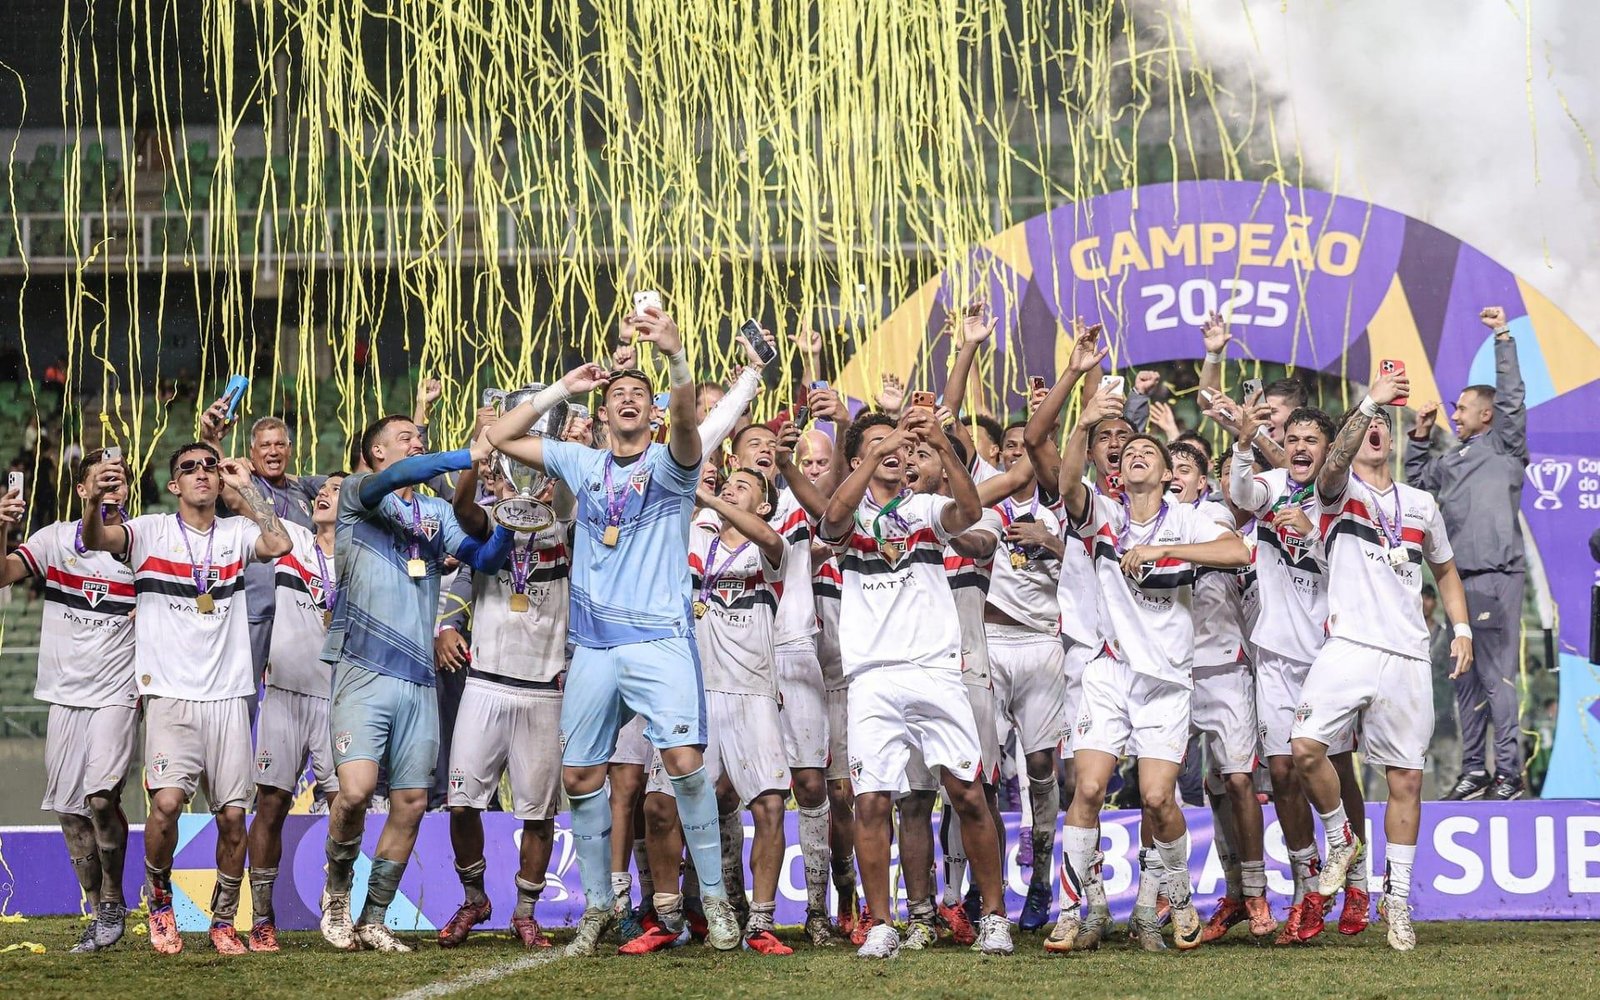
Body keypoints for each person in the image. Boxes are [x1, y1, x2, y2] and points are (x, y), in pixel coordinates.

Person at [486, 306, 742, 956]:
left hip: (659, 641)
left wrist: (676, 359)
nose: (628, 400)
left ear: (651, 414)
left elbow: (688, 420)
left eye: (639, 395)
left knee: (685, 764)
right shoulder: (579, 464)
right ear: (602, 415)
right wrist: (559, 392)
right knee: (579, 778)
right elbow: (499, 438)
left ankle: (712, 896)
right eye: (617, 395)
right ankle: (599, 907)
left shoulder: (672, 463)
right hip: (595, 647)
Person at [1049, 346, 1251, 956]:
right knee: (1086, 791)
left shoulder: (1188, 519)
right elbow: (1064, 486)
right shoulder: (1104, 514)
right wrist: (1083, 424)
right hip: (1109, 671)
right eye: (1129, 452)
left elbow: (1239, 553)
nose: (1137, 454)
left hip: (1167, 680)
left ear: (1167, 475)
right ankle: (1073, 909)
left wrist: (1167, 553)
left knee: (1160, 797)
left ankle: (1180, 899)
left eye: (1150, 453)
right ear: (1117, 472)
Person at [80, 443, 293, 955]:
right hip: (170, 695)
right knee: (168, 805)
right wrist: (94, 499)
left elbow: (280, 541)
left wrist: (244, 488)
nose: (201, 474)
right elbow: (96, 537)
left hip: (228, 694)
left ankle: (223, 920)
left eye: (208, 468)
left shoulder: (238, 532)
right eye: (188, 469)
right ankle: (158, 901)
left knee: (233, 818)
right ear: (174, 485)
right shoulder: (150, 532)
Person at [819, 407, 1014, 959]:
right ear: (859, 460)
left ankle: (995, 917)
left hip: (933, 668)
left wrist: (944, 449)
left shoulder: (925, 507)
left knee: (967, 793)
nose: (896, 452)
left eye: (901, 446)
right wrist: (876, 456)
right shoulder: (850, 515)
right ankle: (883, 924)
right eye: (881, 446)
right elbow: (832, 518)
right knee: (873, 801)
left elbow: (971, 511)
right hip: (871, 676)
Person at [1291, 369, 1475, 952]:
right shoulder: (1339, 490)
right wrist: (1370, 400)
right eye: (1365, 423)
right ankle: (1342, 838)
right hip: (1348, 645)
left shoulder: (1421, 505)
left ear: (1392, 439)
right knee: (1305, 747)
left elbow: (1444, 569)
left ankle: (1396, 903)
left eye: (1381, 426)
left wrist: (1462, 628)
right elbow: (1333, 459)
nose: (1374, 430)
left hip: (1407, 655)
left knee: (1406, 780)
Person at [317, 419, 513, 954]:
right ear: (375, 451)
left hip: (420, 680)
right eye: (402, 436)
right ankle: (336, 894)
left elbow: (486, 560)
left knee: (410, 802)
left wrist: (514, 524)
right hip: (363, 670)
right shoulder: (360, 494)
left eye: (416, 435)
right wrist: (465, 454)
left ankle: (374, 917)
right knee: (355, 792)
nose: (414, 442)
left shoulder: (436, 514)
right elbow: (408, 472)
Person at [1210, 396, 1371, 940]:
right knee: (1281, 772)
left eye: (1311, 441)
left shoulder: (1340, 497)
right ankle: (1307, 892)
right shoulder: (1274, 484)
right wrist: (1240, 442)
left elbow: (1348, 566)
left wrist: (1311, 531)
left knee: (1335, 768)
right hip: (1275, 653)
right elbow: (1240, 494)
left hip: (1328, 654)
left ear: (1328, 453)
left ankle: (1357, 885)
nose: (1300, 448)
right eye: (1293, 439)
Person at [0, 450, 137, 953]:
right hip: (64, 695)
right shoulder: (54, 539)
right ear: (81, 490)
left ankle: (115, 899)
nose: (111, 488)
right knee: (70, 812)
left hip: (118, 691)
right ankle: (99, 906)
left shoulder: (141, 543)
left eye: (118, 481)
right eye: (101, 482)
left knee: (101, 796)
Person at [436, 444, 570, 951]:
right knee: (461, 803)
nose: (528, 482)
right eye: (517, 472)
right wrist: (476, 455)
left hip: (543, 689)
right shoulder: (489, 520)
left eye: (539, 474)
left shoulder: (566, 527)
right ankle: (475, 898)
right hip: (486, 682)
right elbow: (463, 508)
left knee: (538, 813)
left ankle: (526, 912)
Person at [1406, 305, 1529, 801]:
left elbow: (1514, 399)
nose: (1453, 415)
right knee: (1466, 682)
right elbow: (1416, 484)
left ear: (1487, 415)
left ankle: (1509, 774)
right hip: (1457, 581)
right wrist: (1418, 436)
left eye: (1461, 408)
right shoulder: (1450, 459)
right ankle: (1476, 770)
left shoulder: (1505, 446)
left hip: (1497, 577)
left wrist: (1502, 337)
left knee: (1497, 677)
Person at [1165, 442, 1273, 942]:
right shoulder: (1143, 519)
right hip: (1169, 669)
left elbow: (1236, 551)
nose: (1176, 476)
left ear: (1203, 481)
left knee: (1237, 781)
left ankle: (1255, 892)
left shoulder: (1207, 514)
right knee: (1170, 785)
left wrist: (1167, 551)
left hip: (1224, 664)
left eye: (1185, 469)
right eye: (1172, 469)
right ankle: (1171, 893)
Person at [246, 473, 346, 951]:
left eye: (338, 490)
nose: (325, 493)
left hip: (339, 699)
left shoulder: (363, 553)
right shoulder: (293, 538)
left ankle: (338, 904)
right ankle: (261, 917)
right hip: (284, 693)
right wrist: (236, 472)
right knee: (270, 805)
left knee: (346, 805)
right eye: (323, 488)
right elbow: (245, 504)